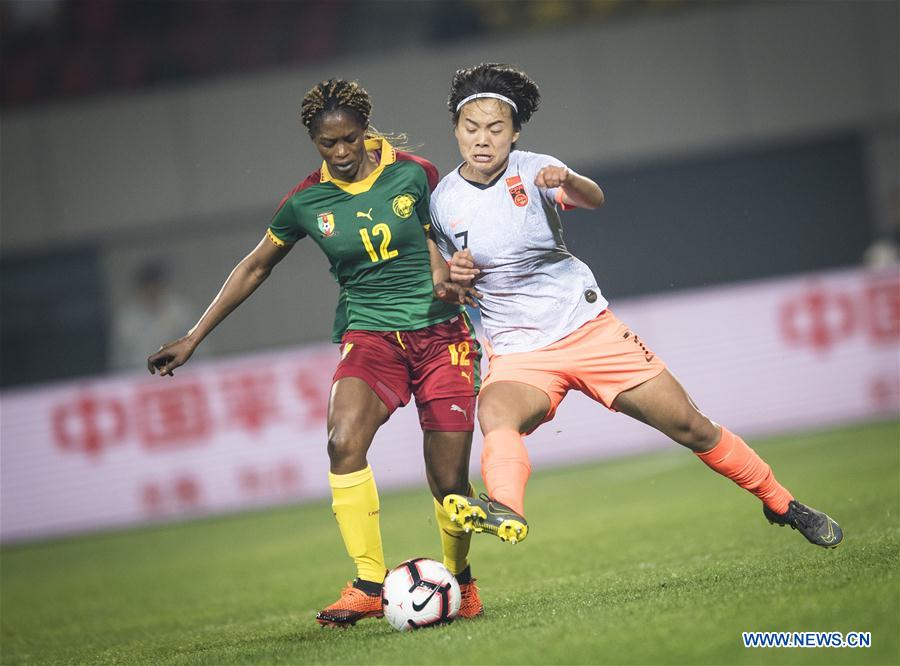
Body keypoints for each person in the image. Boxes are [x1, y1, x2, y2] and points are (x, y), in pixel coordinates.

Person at [429, 63, 842, 550]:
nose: (482, 139)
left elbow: (593, 198)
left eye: (496, 128)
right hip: (520, 352)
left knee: (692, 426)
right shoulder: (441, 201)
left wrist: (571, 179)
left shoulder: (534, 169)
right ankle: (506, 508)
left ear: (515, 133)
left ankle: (783, 503)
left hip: (587, 330)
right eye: (471, 128)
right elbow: (444, 285)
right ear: (456, 130)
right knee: (495, 414)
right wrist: (452, 279)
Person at [147, 78, 485, 627]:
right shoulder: (306, 202)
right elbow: (256, 265)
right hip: (371, 337)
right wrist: (194, 335)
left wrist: (452, 280)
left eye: (350, 139)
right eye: (329, 144)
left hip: (442, 335)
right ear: (314, 141)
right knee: (342, 441)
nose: (343, 152)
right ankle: (369, 583)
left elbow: (443, 240)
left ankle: (461, 580)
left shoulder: (415, 173)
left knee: (449, 482)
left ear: (365, 129)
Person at [110, 260, 202, 372]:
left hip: (179, 377)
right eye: (148, 285)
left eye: (156, 284)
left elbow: (199, 349)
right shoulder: (128, 319)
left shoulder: (180, 311)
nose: (152, 289)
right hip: (141, 379)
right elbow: (120, 360)